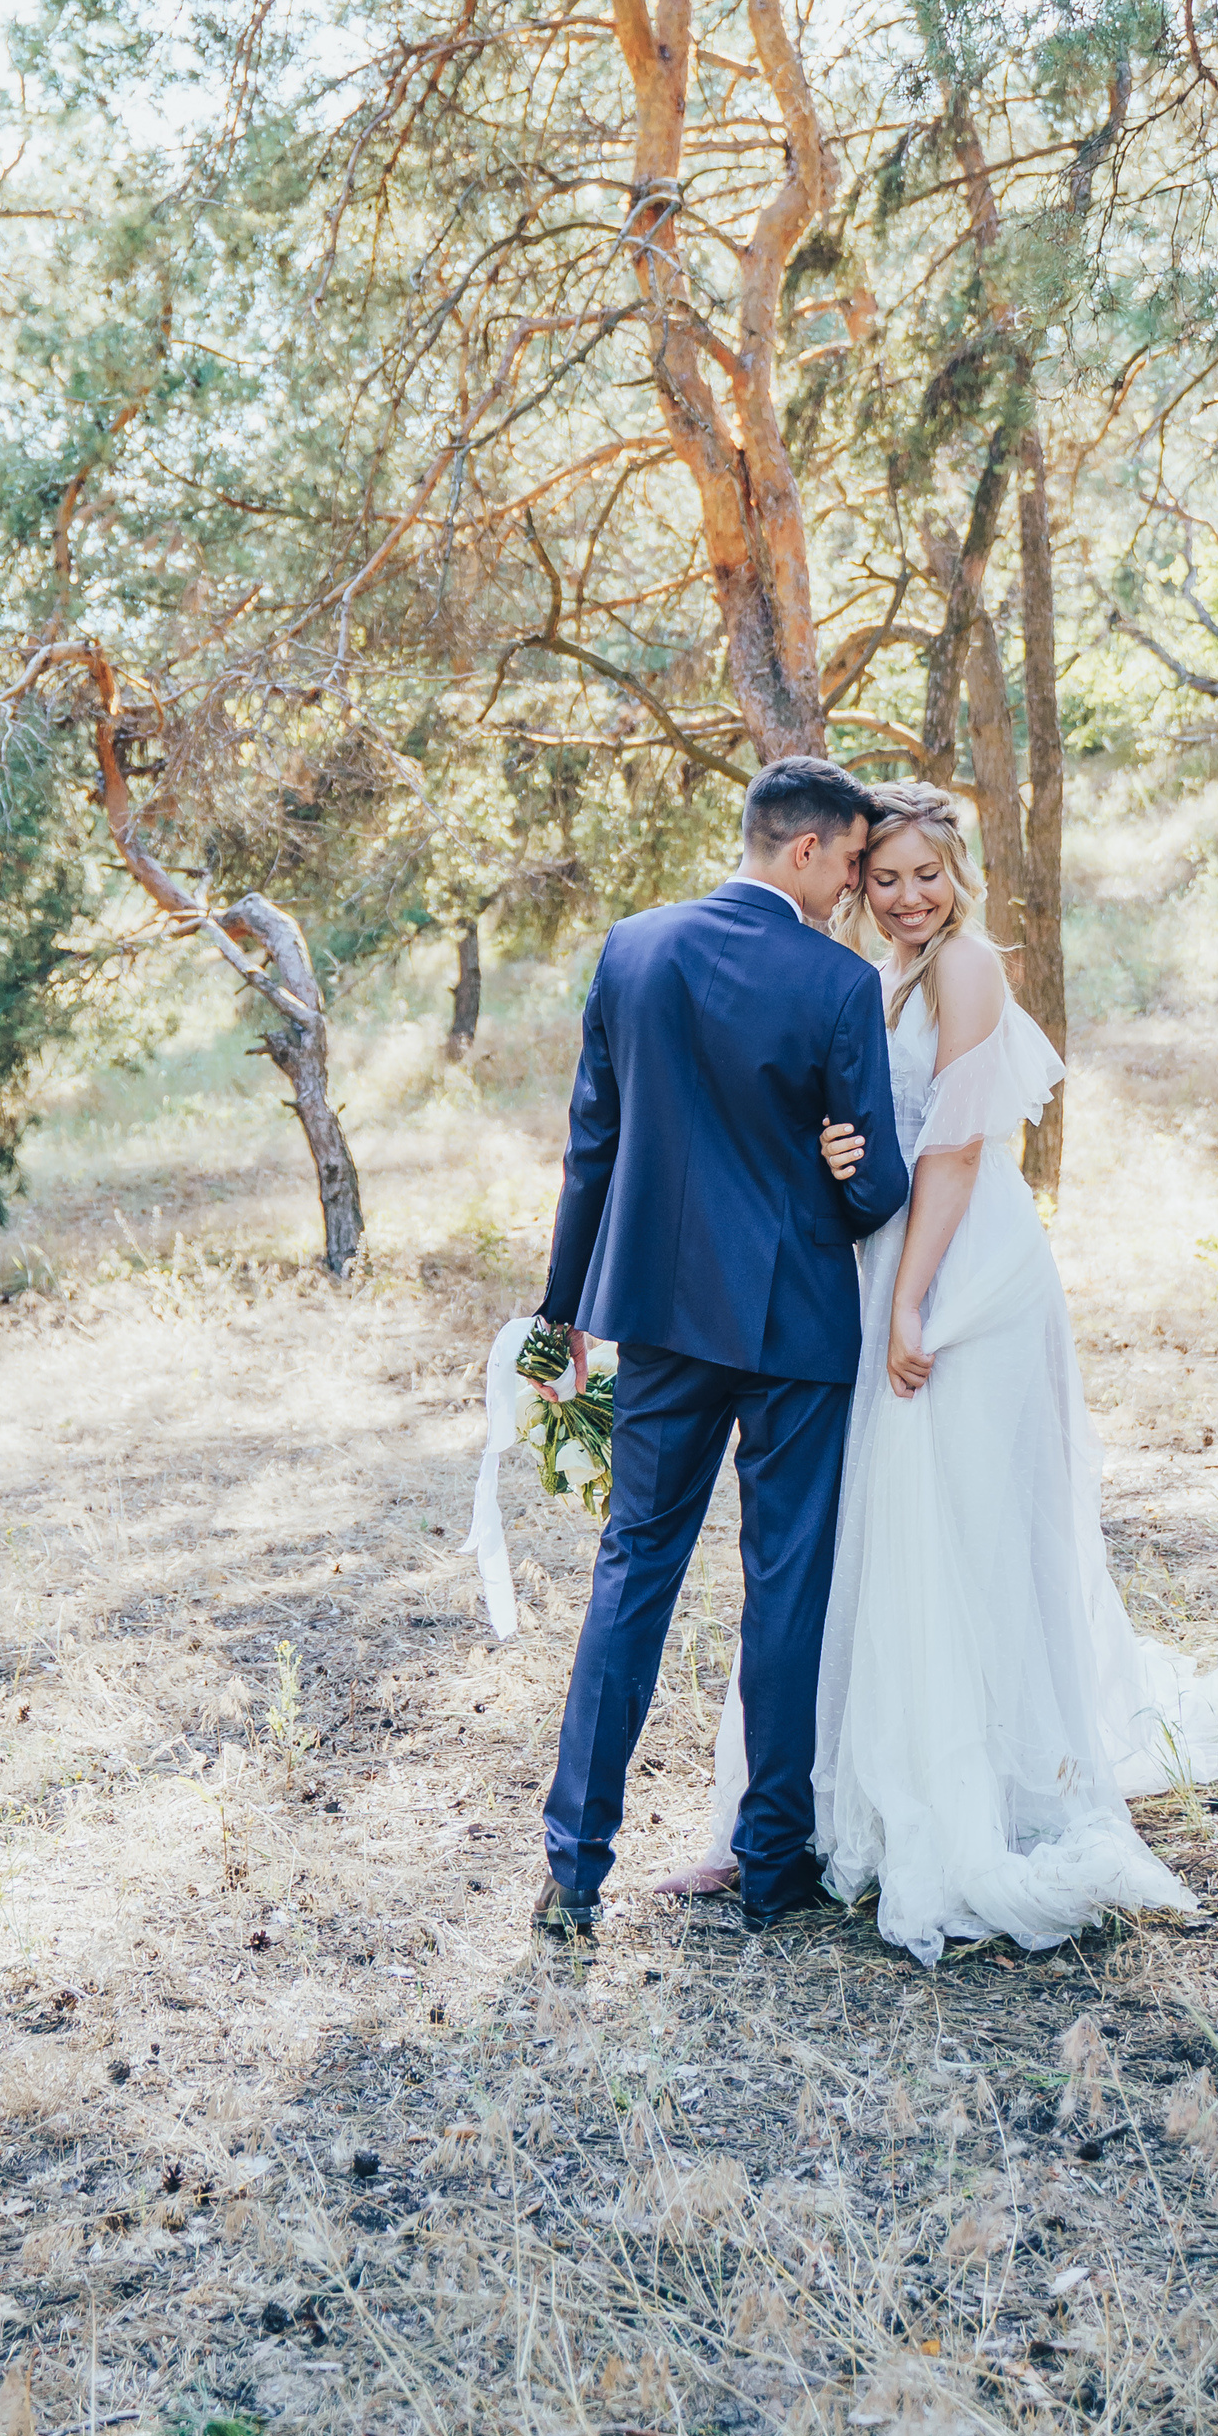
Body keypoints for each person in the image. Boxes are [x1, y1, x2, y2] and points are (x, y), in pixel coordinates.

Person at [679, 781, 1218, 1963]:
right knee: (875, 1531)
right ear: (851, 877)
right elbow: (870, 1129)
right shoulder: (862, 969)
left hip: (963, 1277)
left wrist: (910, 1307)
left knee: (962, 1524)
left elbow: (951, 1153)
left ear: (960, 874)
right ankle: (834, 1798)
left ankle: (979, 1785)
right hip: (887, 1257)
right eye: (881, 876)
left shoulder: (966, 970)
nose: (903, 898)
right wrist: (835, 1149)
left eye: (923, 876)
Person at [528, 757, 911, 1938]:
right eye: (853, 862)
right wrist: (850, 1169)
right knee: (783, 1585)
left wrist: (562, 1315)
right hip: (796, 1324)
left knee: (632, 1570)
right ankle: (772, 1863)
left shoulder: (632, 949)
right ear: (804, 851)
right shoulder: (838, 983)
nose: (857, 887)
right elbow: (875, 1190)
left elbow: (592, 1144)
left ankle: (573, 1869)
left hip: (656, 1318)